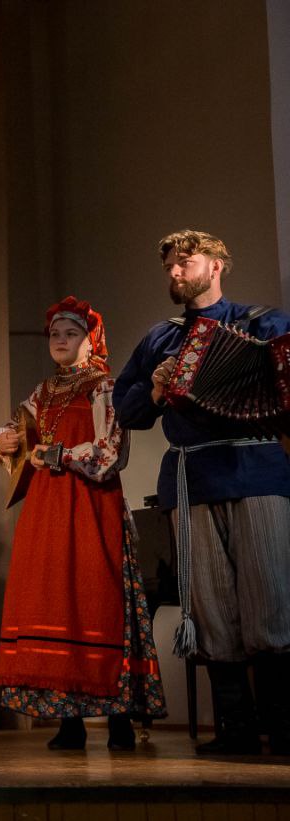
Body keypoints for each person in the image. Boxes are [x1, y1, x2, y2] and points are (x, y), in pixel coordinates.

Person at [113, 230, 290, 756]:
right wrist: (155, 389)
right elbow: (126, 411)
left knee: (271, 599)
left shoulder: (265, 324)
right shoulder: (160, 339)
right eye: (169, 264)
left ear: (216, 266)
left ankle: (282, 728)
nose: (174, 272)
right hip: (191, 478)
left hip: (257, 471)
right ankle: (235, 730)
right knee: (209, 605)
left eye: (185, 262)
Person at [0, 297, 166, 751]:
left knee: (98, 601)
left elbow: (109, 455)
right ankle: (70, 721)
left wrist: (57, 454)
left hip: (91, 506)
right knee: (57, 604)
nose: (61, 340)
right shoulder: (43, 392)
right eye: (55, 334)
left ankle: (120, 718)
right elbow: (9, 435)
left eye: (71, 334)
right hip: (48, 510)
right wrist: (1, 441)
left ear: (91, 340)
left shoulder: (104, 387)